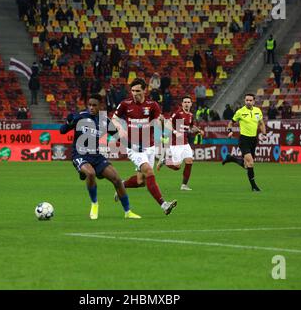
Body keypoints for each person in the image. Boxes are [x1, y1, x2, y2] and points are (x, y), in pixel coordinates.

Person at [60, 94, 141, 219]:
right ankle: (94, 204)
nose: (91, 108)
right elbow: (62, 131)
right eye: (90, 105)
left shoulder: (104, 120)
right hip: (80, 154)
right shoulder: (80, 117)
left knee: (117, 179)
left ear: (100, 106)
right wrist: (68, 121)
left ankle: (128, 212)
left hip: (97, 156)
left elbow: (117, 137)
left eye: (94, 105)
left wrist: (133, 146)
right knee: (90, 174)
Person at [112, 78, 177, 215]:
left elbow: (159, 122)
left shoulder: (152, 105)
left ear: (144, 90)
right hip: (133, 146)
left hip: (149, 146)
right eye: (133, 91)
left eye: (138, 91)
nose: (134, 93)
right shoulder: (125, 104)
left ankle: (122, 185)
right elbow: (114, 118)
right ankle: (164, 205)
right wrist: (119, 128)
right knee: (149, 171)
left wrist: (161, 124)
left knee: (141, 181)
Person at [157, 96, 204, 191]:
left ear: (191, 104)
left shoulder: (190, 115)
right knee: (177, 166)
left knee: (189, 161)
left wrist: (198, 130)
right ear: (182, 104)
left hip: (185, 143)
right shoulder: (178, 113)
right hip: (176, 143)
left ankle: (184, 185)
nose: (186, 104)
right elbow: (168, 124)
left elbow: (191, 127)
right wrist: (175, 132)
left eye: (188, 102)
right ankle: (165, 161)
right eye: (185, 102)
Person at [222, 94, 267, 191]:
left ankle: (232, 158)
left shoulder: (257, 111)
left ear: (254, 101)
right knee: (251, 163)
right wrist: (230, 131)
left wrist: (264, 134)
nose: (248, 102)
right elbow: (231, 122)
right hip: (244, 140)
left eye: (250, 100)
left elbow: (261, 123)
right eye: (247, 100)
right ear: (244, 100)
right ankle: (254, 186)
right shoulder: (240, 112)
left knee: (247, 165)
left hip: (253, 140)